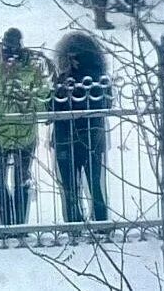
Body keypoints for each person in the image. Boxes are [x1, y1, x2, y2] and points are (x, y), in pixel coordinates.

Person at [0, 28, 50, 228]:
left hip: (23, 136)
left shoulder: (32, 71)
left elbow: (43, 101)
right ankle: (7, 223)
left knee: (21, 181)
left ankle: (19, 225)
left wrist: (27, 105)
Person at [49, 33, 111, 224]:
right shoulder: (101, 79)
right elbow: (106, 105)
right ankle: (101, 224)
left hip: (66, 138)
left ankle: (74, 224)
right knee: (95, 185)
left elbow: (51, 110)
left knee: (70, 188)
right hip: (93, 137)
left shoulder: (64, 80)